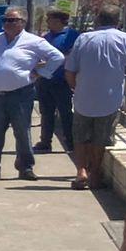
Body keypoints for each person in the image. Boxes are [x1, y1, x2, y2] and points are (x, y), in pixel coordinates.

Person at [0, 10, 64, 180]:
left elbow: (57, 57)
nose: (8, 23)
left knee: (22, 131)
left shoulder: (34, 41)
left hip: (21, 94)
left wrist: (41, 72)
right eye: (5, 19)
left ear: (23, 22)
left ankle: (25, 167)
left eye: (13, 20)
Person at [64, 8, 126, 191]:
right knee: (101, 138)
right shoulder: (125, 39)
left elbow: (69, 70)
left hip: (83, 97)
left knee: (80, 136)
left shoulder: (84, 38)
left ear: (98, 19)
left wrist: (75, 87)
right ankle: (95, 174)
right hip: (110, 99)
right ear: (118, 20)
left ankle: (81, 171)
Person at [35, 8, 78, 154]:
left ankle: (71, 142)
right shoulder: (46, 37)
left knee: (66, 113)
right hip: (45, 81)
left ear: (59, 21)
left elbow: (73, 55)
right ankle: (45, 141)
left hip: (62, 81)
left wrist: (52, 61)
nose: (48, 23)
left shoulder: (71, 36)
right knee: (46, 112)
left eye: (50, 20)